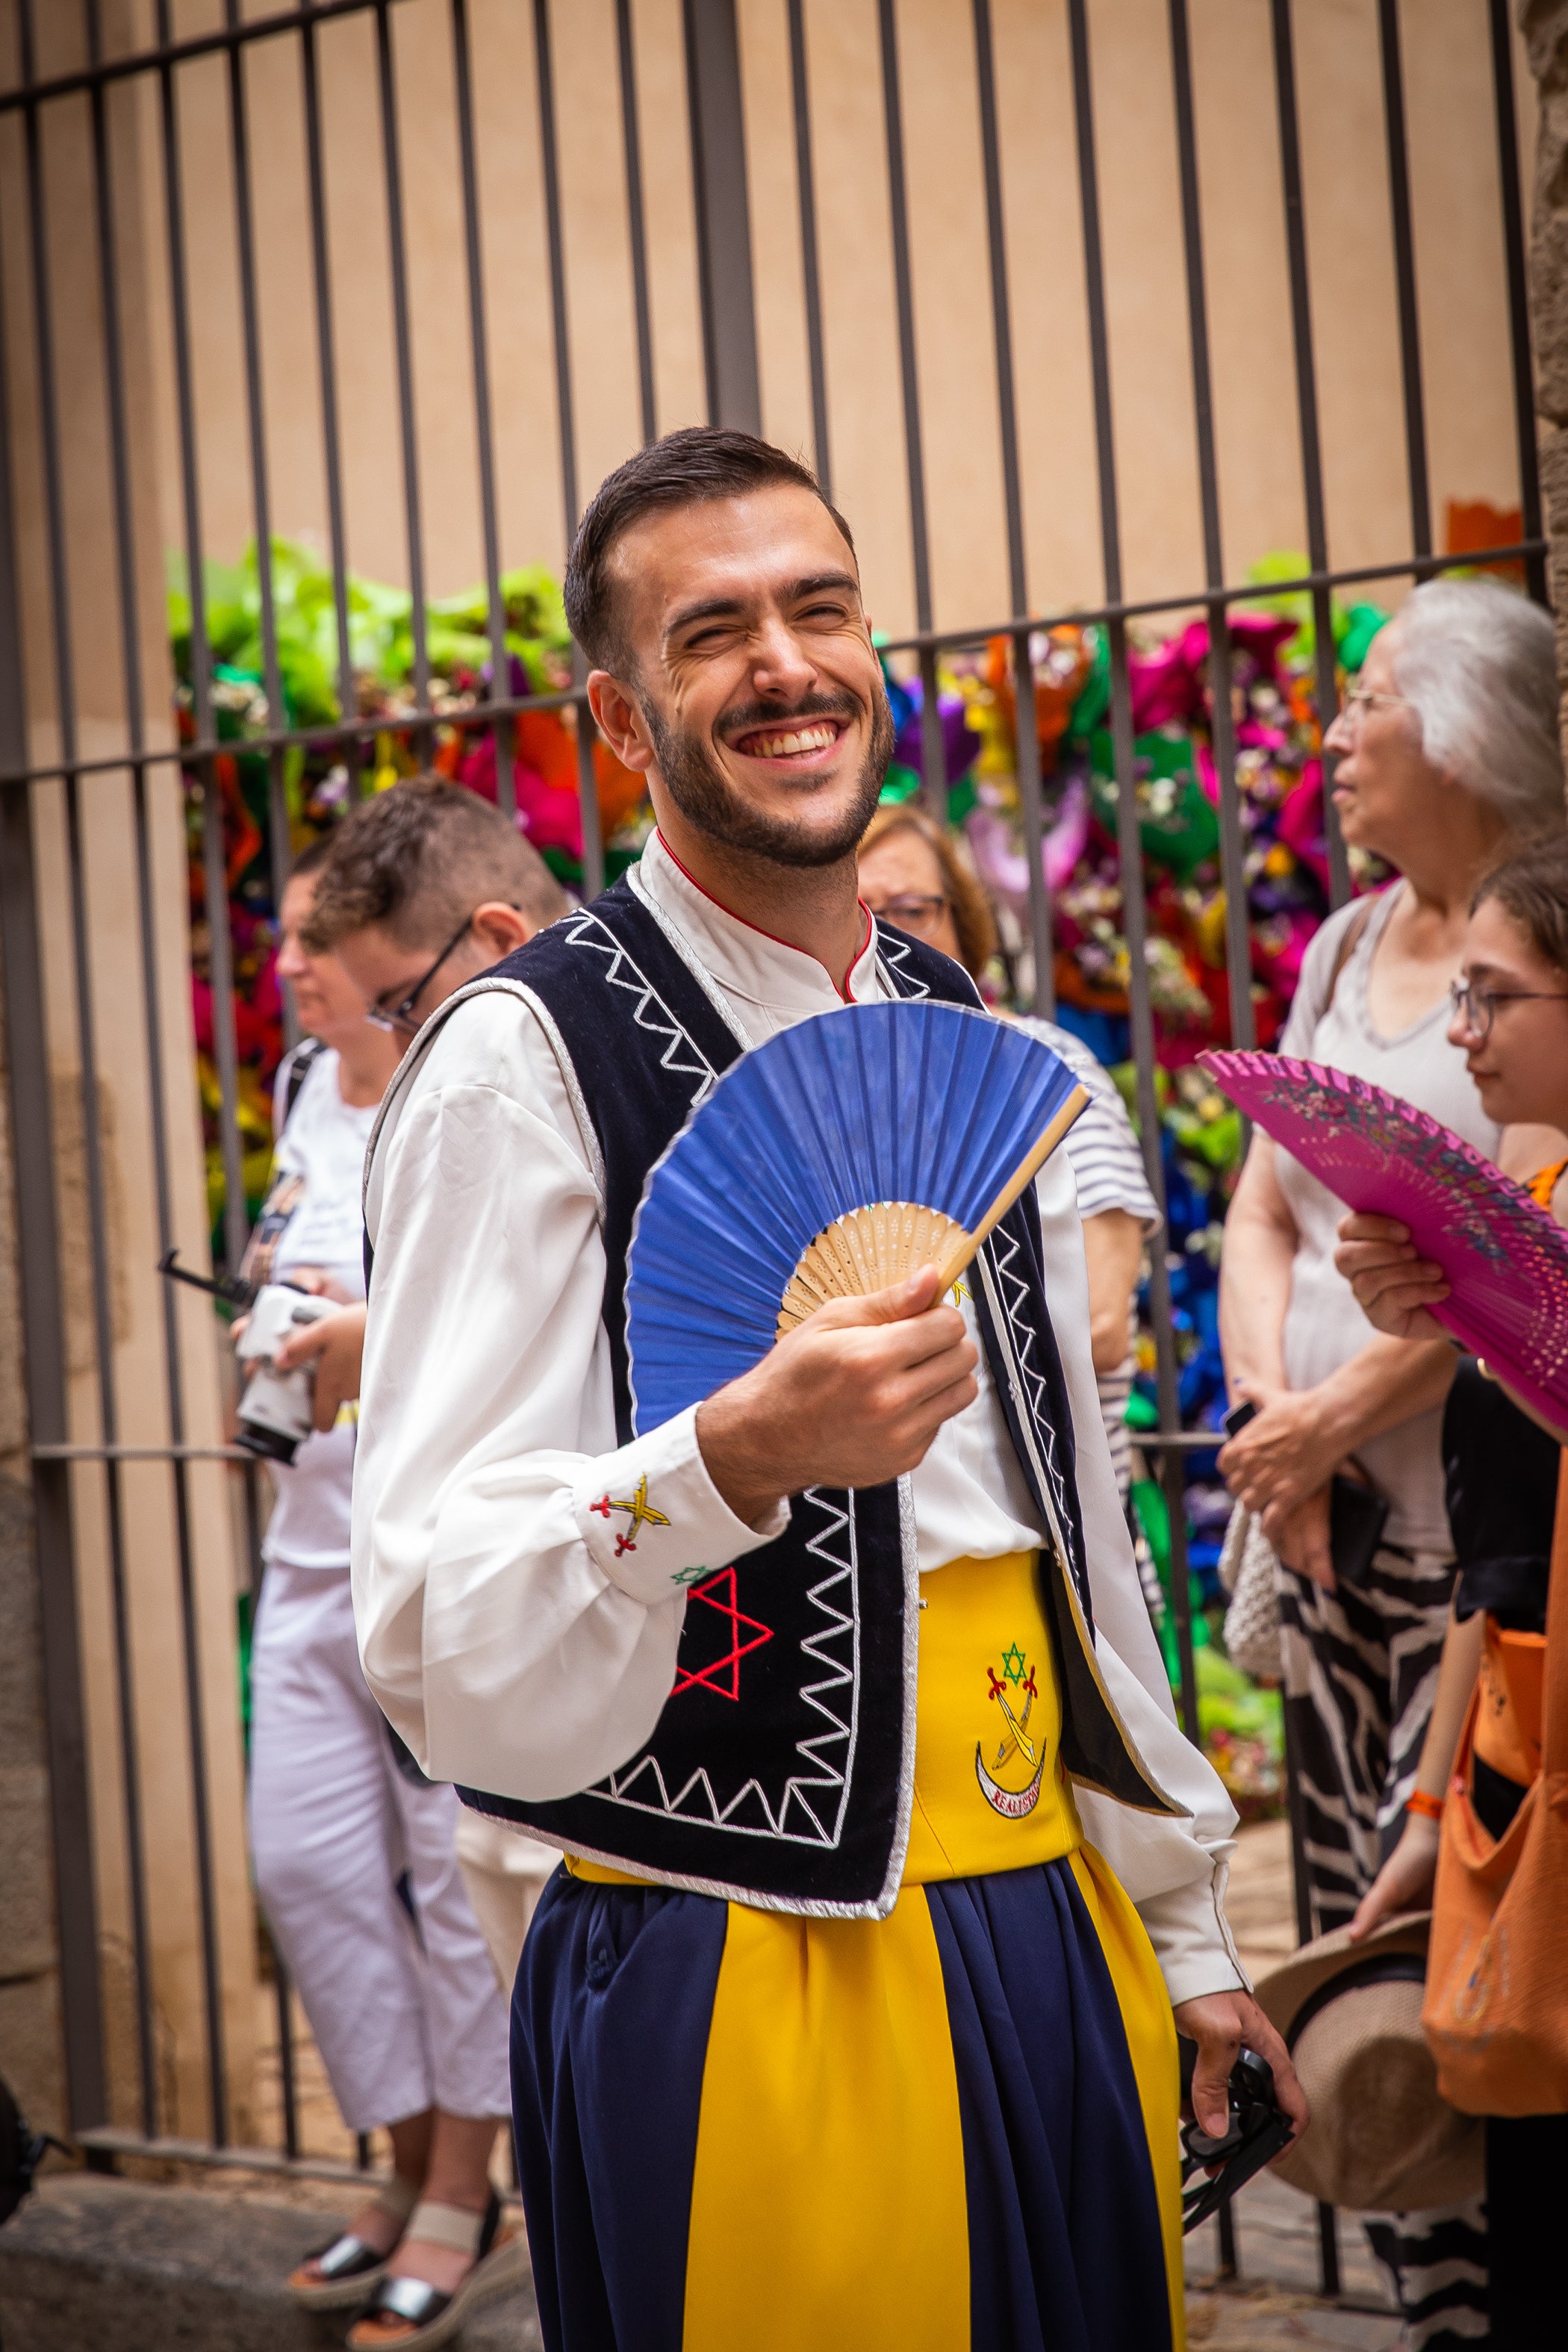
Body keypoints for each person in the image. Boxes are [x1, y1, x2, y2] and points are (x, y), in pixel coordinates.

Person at [352, 426, 1305, 2352]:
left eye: (819, 607)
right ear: (622, 721)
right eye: (714, 633)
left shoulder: (974, 1035)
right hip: (738, 1959)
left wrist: (1182, 1925)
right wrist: (723, 1461)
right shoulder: (517, 1067)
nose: (785, 662)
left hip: (1048, 1919)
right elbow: (428, 1618)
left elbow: (1073, 1524)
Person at [1217, 577, 1567, 2339]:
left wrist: (1339, 1412)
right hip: (1346, 1544)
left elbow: (1532, 1266)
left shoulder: (1544, 941)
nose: (1335, 738)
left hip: (1490, 1561)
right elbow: (1262, 1207)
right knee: (1380, 1954)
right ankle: (1444, 2314)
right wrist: (1274, 1427)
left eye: (1369, 703)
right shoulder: (1348, 949)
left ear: (1468, 732)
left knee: (1487, 1957)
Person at [245, 838, 520, 2348]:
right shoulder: (306, 1094)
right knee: (309, 1868)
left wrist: (370, 1328)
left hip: (420, 1546)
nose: (294, 964)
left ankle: (455, 2190)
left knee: (445, 1876)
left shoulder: (453, 1082)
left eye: (312, 944)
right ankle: (412, 2153)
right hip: (303, 1542)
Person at [286, 780, 572, 2012]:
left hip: (598, 1690)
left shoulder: (603, 1064)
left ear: (500, 937)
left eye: (404, 1002)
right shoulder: (461, 1086)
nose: (396, 1040)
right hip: (483, 1690)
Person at [1335, 836, 1568, 2349]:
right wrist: (1433, 1823)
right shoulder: (1528, 1199)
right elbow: (1492, 1574)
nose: (1460, 1031)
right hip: (1520, 1773)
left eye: (1491, 995)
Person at [856, 801, 1160, 1498]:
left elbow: (1104, 1326)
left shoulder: (1048, 1068)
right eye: (858, 911)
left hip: (1056, 1528)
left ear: (964, 925)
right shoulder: (827, 1099)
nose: (883, 938)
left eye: (910, 909)